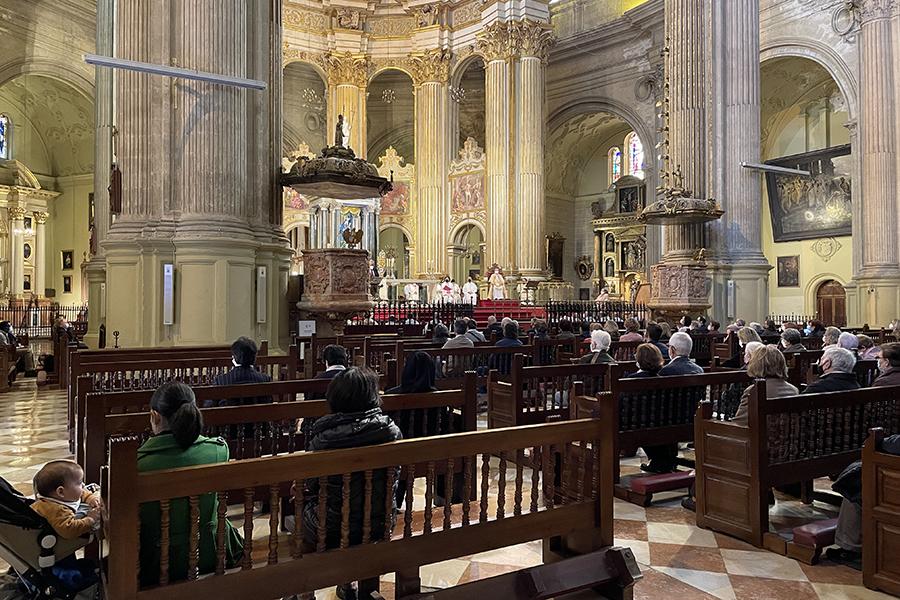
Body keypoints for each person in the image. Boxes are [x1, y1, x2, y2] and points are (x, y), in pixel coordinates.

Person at [301, 368, 401, 599]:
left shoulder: (324, 438)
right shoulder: (391, 431)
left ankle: (303, 589)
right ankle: (349, 584)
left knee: (301, 511)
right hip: (381, 522)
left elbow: (312, 485)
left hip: (331, 527)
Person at [138, 382, 243, 587]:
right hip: (209, 553)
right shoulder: (218, 451)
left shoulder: (137, 464)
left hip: (154, 563)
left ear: (155, 416)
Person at [641, 332, 704, 474]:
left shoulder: (666, 371)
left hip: (670, 422)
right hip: (693, 420)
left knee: (645, 422)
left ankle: (660, 461)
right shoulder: (699, 370)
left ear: (672, 350)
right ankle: (666, 460)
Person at [31, 460, 102, 540]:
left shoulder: (58, 496)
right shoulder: (56, 510)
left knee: (93, 489)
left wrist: (89, 498)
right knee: (99, 512)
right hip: (52, 537)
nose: (82, 485)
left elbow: (80, 493)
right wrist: (90, 519)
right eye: (79, 483)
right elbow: (69, 530)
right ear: (60, 492)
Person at [731, 346, 799, 426]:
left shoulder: (754, 391)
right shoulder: (793, 390)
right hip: (783, 436)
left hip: (759, 437)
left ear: (756, 364)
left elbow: (740, 423)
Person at [208, 337, 272, 407]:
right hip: (258, 417)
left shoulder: (220, 381)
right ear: (254, 357)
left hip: (228, 417)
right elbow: (269, 403)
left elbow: (209, 407)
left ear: (234, 358)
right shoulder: (265, 379)